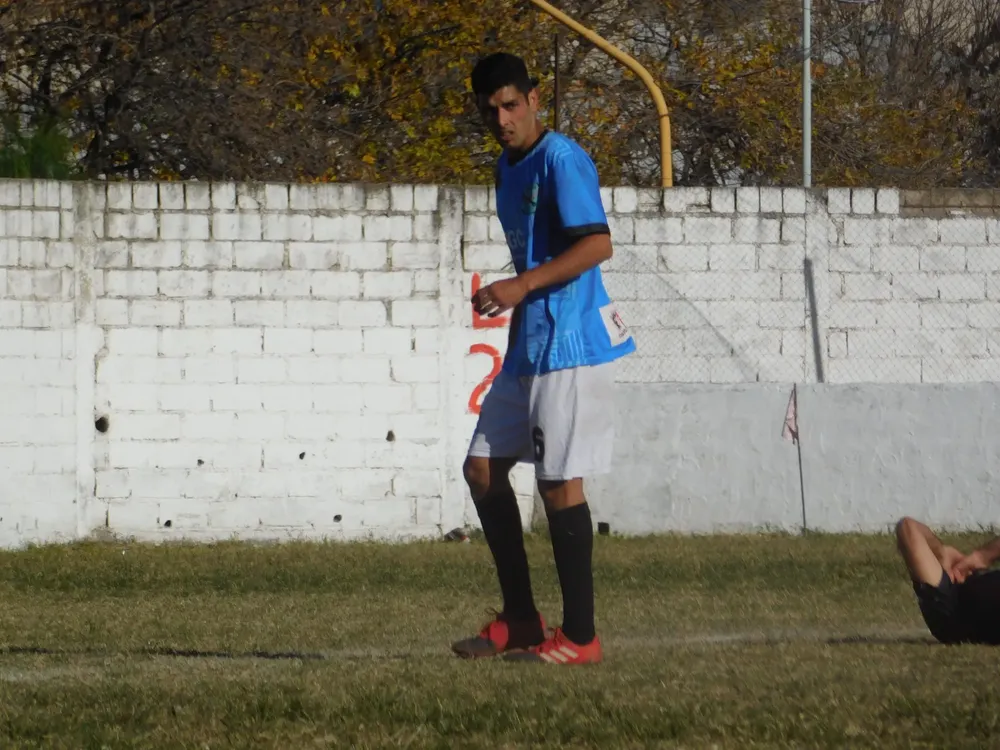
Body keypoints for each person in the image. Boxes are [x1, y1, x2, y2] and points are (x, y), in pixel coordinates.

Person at [450, 52, 636, 666]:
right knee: (481, 469)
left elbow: (598, 243)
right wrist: (514, 290)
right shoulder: (506, 168)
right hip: (529, 344)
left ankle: (580, 637)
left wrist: (519, 286)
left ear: (534, 99)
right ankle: (524, 620)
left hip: (571, 344)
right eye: (490, 110)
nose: (502, 118)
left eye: (511, 104)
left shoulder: (562, 158)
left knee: (559, 486)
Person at [895, 516, 1000, 645]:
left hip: (952, 609)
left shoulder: (947, 613)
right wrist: (982, 556)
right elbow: (908, 527)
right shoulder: (949, 602)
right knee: (907, 527)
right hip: (953, 601)